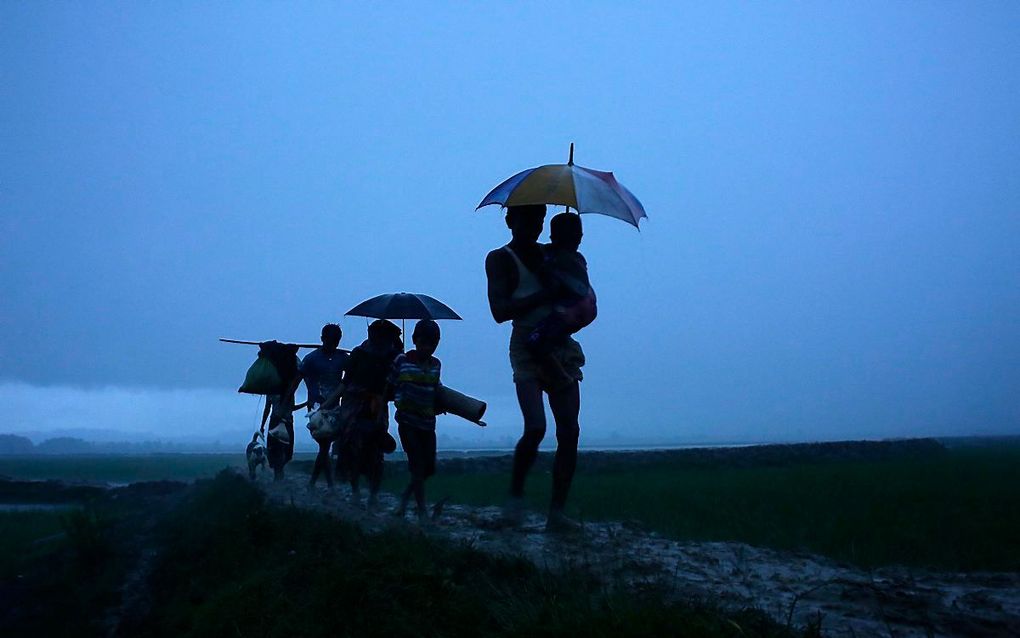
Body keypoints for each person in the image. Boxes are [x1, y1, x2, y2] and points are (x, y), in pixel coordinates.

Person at [485, 204, 586, 532]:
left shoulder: (552, 255)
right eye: (528, 219)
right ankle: (515, 501)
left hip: (559, 344)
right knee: (536, 428)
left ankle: (556, 512)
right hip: (527, 345)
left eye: (540, 220)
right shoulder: (500, 258)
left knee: (569, 430)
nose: (535, 226)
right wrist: (545, 293)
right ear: (510, 221)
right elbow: (499, 311)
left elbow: (576, 289)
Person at [322, 319, 402, 507]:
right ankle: (356, 491)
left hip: (377, 410)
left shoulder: (394, 357)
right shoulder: (359, 354)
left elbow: (396, 387)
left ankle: (373, 494)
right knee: (352, 449)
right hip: (355, 408)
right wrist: (327, 403)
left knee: (376, 453)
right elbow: (346, 383)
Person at [526, 212, 597, 387]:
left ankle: (558, 373)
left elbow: (553, 285)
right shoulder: (578, 258)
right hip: (584, 310)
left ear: (553, 236)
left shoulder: (553, 258)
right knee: (555, 336)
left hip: (567, 311)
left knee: (536, 341)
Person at [389, 319, 443, 523]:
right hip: (407, 421)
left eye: (433, 344)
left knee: (428, 467)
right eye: (424, 343)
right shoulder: (402, 361)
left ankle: (404, 497)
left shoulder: (436, 365)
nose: (428, 348)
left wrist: (441, 405)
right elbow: (390, 385)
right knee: (417, 465)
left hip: (428, 423)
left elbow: (435, 389)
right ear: (414, 340)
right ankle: (422, 510)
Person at [302, 323, 350, 489]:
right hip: (316, 409)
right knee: (324, 445)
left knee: (326, 445)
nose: (332, 343)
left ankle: (318, 483)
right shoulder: (311, 359)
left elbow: (351, 375)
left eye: (335, 340)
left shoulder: (343, 358)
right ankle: (322, 483)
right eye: (329, 340)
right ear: (322, 339)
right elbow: (299, 377)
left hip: (335, 408)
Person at [259, 342, 303, 482]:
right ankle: (279, 473)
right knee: (283, 451)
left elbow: (268, 408)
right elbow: (291, 408)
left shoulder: (274, 389)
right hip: (285, 421)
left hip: (276, 421)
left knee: (279, 450)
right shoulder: (286, 391)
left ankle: (279, 472)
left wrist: (263, 424)